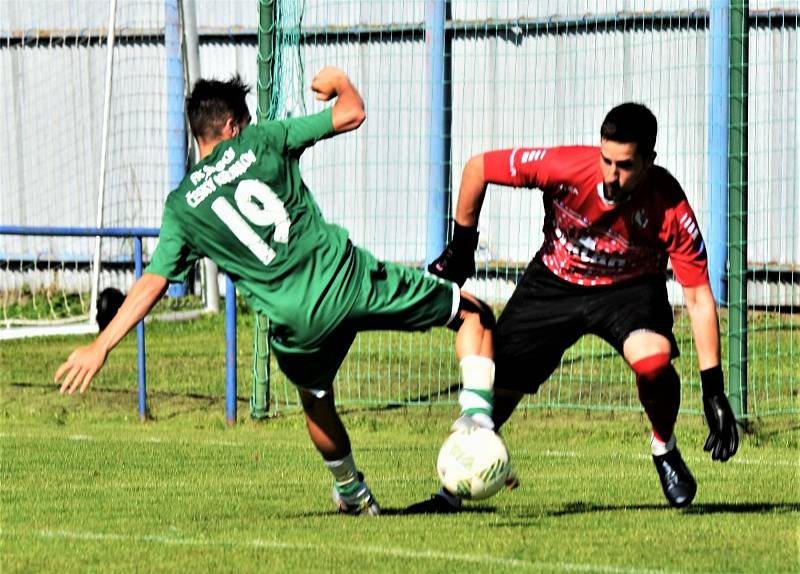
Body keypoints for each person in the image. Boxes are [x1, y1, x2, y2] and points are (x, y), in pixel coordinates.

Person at [54, 67, 498, 516]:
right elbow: (351, 114)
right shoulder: (261, 139)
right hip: (347, 281)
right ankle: (477, 427)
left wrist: (101, 345)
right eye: (241, 124)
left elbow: (153, 281)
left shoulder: (182, 206)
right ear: (231, 127)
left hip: (296, 325)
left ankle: (353, 494)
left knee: (316, 400)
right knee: (472, 314)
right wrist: (341, 83)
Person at [411, 102, 739, 512]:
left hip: (630, 291)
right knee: (495, 387)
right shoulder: (564, 168)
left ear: (649, 161)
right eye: (606, 160)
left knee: (652, 361)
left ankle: (664, 447)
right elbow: (478, 168)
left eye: (625, 165)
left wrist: (713, 390)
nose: (611, 176)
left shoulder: (670, 206)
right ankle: (452, 493)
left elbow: (698, 297)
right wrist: (462, 247)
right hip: (554, 283)